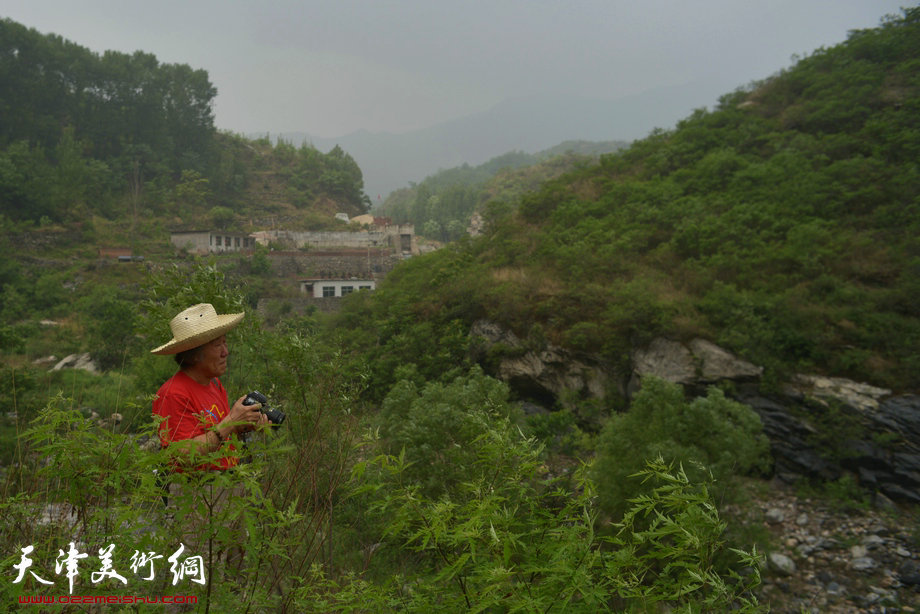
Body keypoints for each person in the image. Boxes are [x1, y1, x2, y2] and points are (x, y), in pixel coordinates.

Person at [150, 302, 268, 469]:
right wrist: (232, 421)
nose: (225, 352)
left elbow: (219, 434)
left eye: (225, 343)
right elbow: (182, 456)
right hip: (194, 491)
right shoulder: (173, 394)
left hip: (226, 485)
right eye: (217, 345)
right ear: (194, 355)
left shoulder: (214, 384)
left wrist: (244, 425)